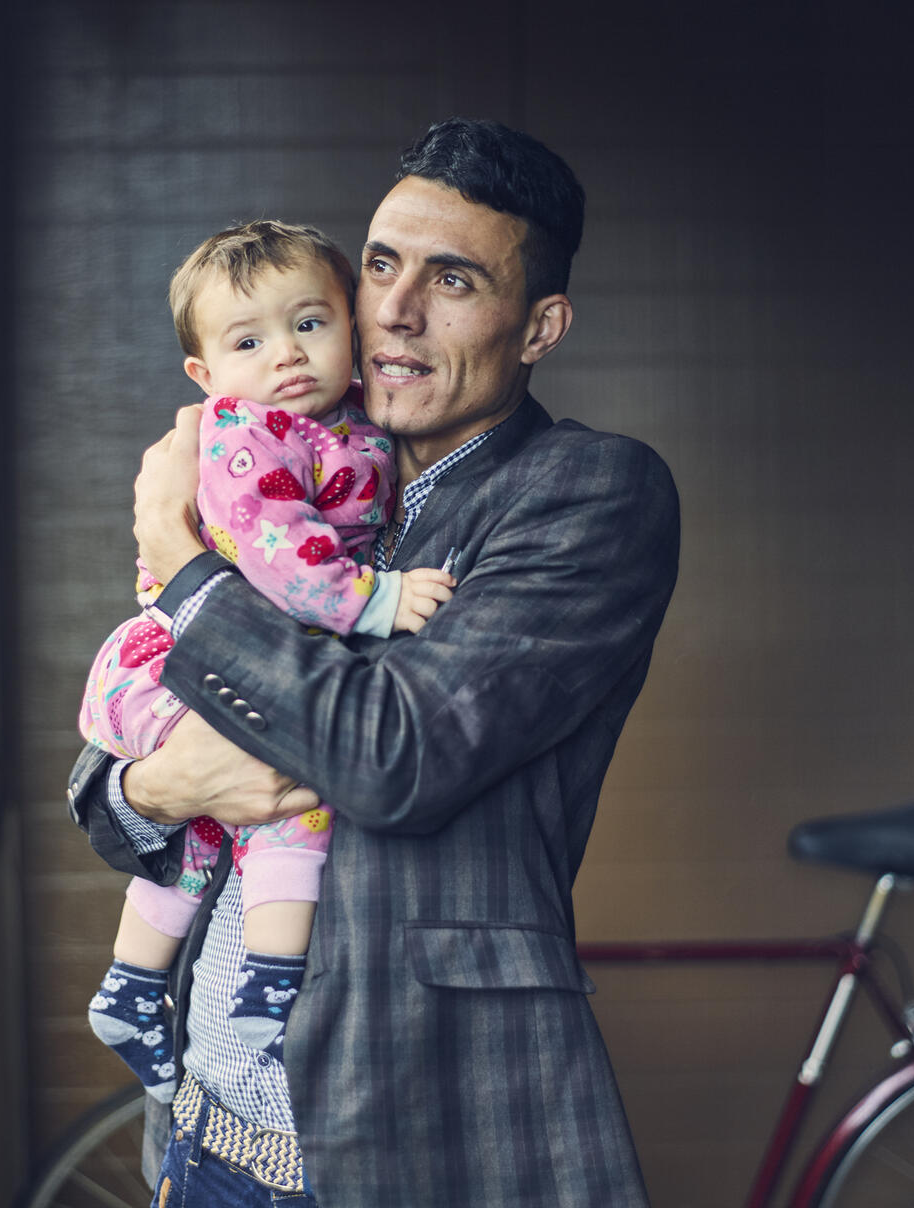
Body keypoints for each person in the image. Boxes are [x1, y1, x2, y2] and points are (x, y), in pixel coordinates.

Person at [67, 117, 680, 1207]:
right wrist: (157, 783)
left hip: (390, 1140)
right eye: (383, 263)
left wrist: (179, 554)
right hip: (200, 1129)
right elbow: (110, 784)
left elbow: (395, 753)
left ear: (538, 326)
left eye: (452, 279)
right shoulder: (302, 464)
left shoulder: (584, 494)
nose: (394, 307)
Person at [80, 220, 454, 1103]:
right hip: (173, 662)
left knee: (215, 821)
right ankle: (271, 981)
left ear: (351, 332)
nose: (287, 355)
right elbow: (279, 554)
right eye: (250, 341)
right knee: (289, 789)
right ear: (206, 378)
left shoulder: (348, 422)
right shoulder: (247, 435)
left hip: (216, 656)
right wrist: (378, 599)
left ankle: (134, 989)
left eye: (310, 325)